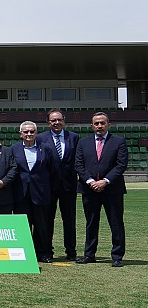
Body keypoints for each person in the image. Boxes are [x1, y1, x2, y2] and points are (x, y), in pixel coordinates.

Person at [74, 112, 127, 267]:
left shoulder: (119, 141)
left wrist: (105, 181)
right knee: (91, 223)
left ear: (108, 124)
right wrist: (91, 181)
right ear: (92, 126)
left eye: (102, 123)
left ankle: (117, 256)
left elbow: (121, 165)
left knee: (116, 223)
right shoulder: (83, 142)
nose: (99, 126)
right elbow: (79, 165)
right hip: (89, 189)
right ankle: (89, 254)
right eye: (96, 123)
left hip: (112, 190)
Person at [11, 121, 59, 263]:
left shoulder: (46, 149)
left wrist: (50, 190)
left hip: (41, 193)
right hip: (21, 193)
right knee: (24, 225)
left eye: (32, 131)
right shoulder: (14, 149)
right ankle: (24, 252)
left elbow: (53, 171)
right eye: (26, 132)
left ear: (36, 133)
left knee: (42, 225)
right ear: (21, 134)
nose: (29, 134)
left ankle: (43, 253)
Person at [36, 109, 81, 260]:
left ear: (64, 121)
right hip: (48, 187)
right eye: (53, 120)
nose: (57, 123)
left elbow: (78, 161)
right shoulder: (40, 138)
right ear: (48, 123)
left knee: (69, 220)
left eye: (59, 120)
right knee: (47, 220)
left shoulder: (74, 137)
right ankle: (47, 252)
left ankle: (71, 252)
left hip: (69, 186)